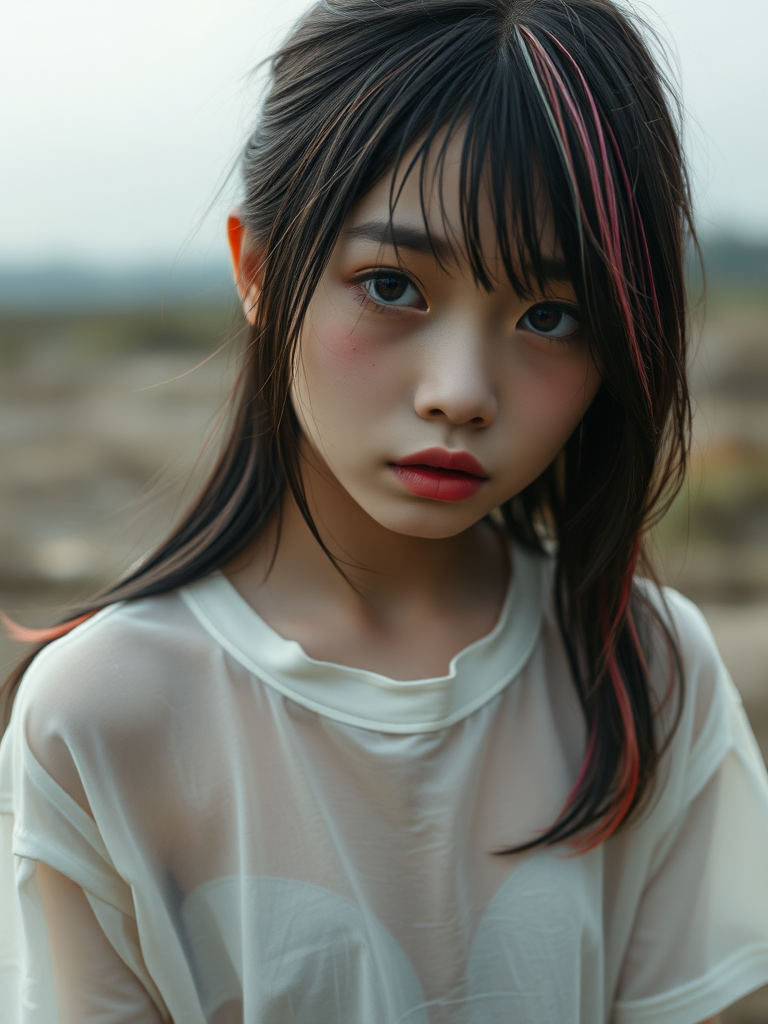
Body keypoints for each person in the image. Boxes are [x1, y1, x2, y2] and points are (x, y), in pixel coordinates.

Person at [2, 0, 768, 1020]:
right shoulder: (100, 714)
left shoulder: (645, 671)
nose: (461, 390)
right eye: (393, 285)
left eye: (551, 315)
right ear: (259, 272)